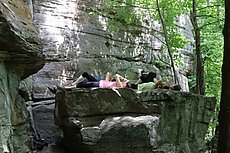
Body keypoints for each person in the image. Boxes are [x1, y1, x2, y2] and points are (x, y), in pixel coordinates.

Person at [65, 72, 130, 89]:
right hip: (100, 82)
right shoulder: (114, 83)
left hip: (100, 85)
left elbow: (116, 76)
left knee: (86, 84)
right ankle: (73, 84)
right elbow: (108, 78)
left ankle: (71, 87)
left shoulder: (121, 86)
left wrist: (121, 78)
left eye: (125, 82)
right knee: (86, 74)